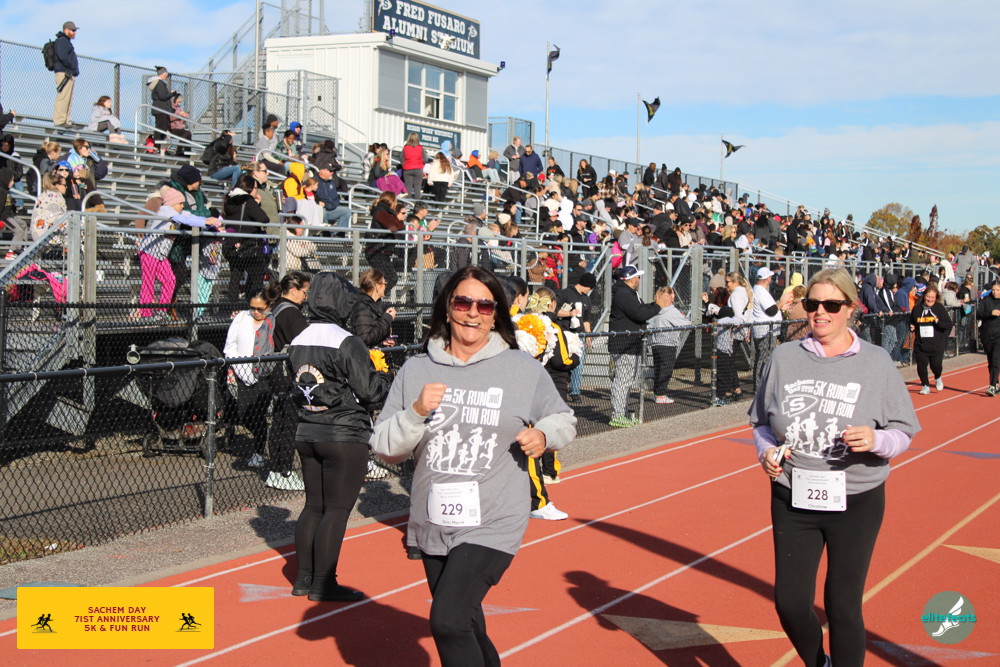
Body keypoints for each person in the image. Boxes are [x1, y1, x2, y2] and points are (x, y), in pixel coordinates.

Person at [370, 266, 576, 665]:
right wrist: (415, 413)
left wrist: (544, 435)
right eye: (463, 302)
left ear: (496, 314)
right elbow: (385, 448)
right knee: (467, 622)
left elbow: (563, 418)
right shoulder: (416, 370)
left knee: (447, 620)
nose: (473, 313)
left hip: (494, 517)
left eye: (485, 305)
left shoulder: (521, 368)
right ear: (447, 309)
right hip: (434, 518)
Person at [751, 268, 920, 667]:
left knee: (842, 605)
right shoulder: (784, 357)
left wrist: (876, 441)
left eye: (831, 304)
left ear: (851, 308)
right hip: (793, 496)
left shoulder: (876, 362)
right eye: (812, 304)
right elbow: (760, 423)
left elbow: (904, 431)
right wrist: (766, 452)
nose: (820, 313)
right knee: (790, 603)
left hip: (856, 499)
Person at [287, 272, 390, 601]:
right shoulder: (347, 341)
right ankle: (323, 582)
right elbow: (369, 390)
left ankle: (303, 578)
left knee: (313, 506)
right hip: (343, 432)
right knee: (336, 509)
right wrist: (385, 377)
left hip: (307, 428)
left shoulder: (299, 339)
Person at [138, 187, 222, 318]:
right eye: (180, 203)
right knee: (149, 282)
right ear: (172, 203)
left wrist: (209, 219)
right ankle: (145, 313)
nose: (183, 206)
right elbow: (185, 220)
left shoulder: (179, 212)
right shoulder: (165, 210)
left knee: (170, 280)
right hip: (149, 251)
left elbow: (190, 216)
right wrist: (205, 221)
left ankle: (162, 310)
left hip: (161, 254)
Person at [263, 272, 311, 491]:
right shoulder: (291, 313)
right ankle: (283, 470)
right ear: (293, 290)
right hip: (285, 371)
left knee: (280, 420)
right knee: (288, 421)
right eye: (304, 292)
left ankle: (277, 469)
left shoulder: (276, 307)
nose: (305, 297)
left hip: (274, 369)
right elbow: (305, 342)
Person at [608, 265, 669, 427]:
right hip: (624, 345)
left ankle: (622, 413)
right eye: (638, 277)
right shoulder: (623, 294)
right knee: (623, 381)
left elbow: (641, 309)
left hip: (630, 344)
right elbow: (640, 314)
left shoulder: (628, 293)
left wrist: (655, 304)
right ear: (632, 279)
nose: (639, 280)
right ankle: (617, 415)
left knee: (627, 381)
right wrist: (657, 305)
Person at [224, 290, 276, 470]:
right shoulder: (241, 318)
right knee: (245, 414)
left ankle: (258, 452)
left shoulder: (272, 320)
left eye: (260, 309)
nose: (256, 312)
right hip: (243, 372)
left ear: (268, 306)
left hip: (265, 374)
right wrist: (239, 368)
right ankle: (261, 436)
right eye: (252, 308)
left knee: (259, 413)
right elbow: (230, 345)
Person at [222, 174, 271, 304]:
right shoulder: (248, 201)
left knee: (235, 276)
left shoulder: (229, 199)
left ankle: (232, 307)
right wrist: (257, 204)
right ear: (249, 188)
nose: (256, 191)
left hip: (232, 242)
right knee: (256, 276)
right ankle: (253, 304)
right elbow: (264, 218)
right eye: (255, 188)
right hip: (248, 244)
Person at [554, 272, 596, 404]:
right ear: (587, 285)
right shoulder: (565, 293)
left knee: (579, 363)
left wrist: (588, 335)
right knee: (563, 362)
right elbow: (555, 311)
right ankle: (562, 388)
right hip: (565, 334)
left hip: (579, 335)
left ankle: (575, 391)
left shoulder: (586, 299)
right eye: (590, 287)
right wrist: (569, 313)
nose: (590, 290)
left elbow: (586, 319)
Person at [648, 286, 692, 404]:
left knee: (659, 369)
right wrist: (685, 318)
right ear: (669, 296)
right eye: (673, 294)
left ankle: (657, 393)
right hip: (668, 344)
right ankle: (661, 394)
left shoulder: (656, 309)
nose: (674, 296)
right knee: (666, 370)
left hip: (656, 343)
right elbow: (686, 324)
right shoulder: (671, 311)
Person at [909, 285, 952, 395]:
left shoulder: (939, 308)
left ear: (936, 298)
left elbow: (948, 324)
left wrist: (938, 323)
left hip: (936, 345)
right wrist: (911, 326)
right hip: (921, 344)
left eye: (933, 297)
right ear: (924, 296)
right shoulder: (917, 309)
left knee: (936, 366)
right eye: (928, 297)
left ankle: (937, 377)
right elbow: (911, 321)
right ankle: (925, 385)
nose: (930, 299)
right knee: (921, 366)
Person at [751, 267, 783, 385]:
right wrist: (782, 301)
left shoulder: (758, 290)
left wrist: (780, 306)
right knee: (764, 357)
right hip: (765, 331)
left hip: (766, 329)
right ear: (768, 279)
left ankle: (761, 384)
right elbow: (771, 311)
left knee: (764, 357)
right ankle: (759, 385)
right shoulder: (760, 291)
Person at [350, 268, 396, 348]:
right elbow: (365, 339)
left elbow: (374, 334)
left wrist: (383, 343)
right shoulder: (362, 307)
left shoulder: (376, 305)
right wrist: (386, 319)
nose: (385, 287)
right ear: (377, 286)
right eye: (384, 283)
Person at [30, 172, 68, 255]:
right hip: (47, 235)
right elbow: (60, 218)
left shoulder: (43, 195)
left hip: (37, 234)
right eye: (65, 185)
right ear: (57, 185)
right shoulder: (57, 197)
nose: (66, 187)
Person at [52, 21, 80, 128]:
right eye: (73, 30)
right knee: (63, 97)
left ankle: (66, 121)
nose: (75, 32)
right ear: (66, 30)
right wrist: (72, 66)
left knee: (68, 98)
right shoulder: (62, 41)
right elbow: (62, 56)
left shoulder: (66, 41)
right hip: (64, 73)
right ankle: (60, 121)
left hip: (68, 73)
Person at [976, 280, 1000, 396]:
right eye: (994, 290)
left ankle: (991, 386)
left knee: (996, 360)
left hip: (999, 336)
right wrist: (991, 313)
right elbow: (978, 314)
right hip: (987, 335)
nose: (995, 292)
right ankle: (996, 383)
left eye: (998, 290)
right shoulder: (986, 301)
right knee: (991, 361)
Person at [148, 66, 173, 152]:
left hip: (160, 109)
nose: (166, 75)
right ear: (162, 74)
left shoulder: (158, 83)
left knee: (163, 127)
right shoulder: (159, 84)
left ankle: (159, 146)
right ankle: (156, 146)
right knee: (161, 127)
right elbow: (162, 96)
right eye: (165, 74)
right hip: (160, 109)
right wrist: (171, 94)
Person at [402, 132, 425, 197]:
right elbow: (425, 158)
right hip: (418, 169)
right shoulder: (420, 148)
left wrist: (404, 165)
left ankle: (408, 202)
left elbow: (402, 158)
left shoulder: (405, 147)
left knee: (408, 188)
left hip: (407, 169)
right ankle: (417, 202)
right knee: (417, 188)